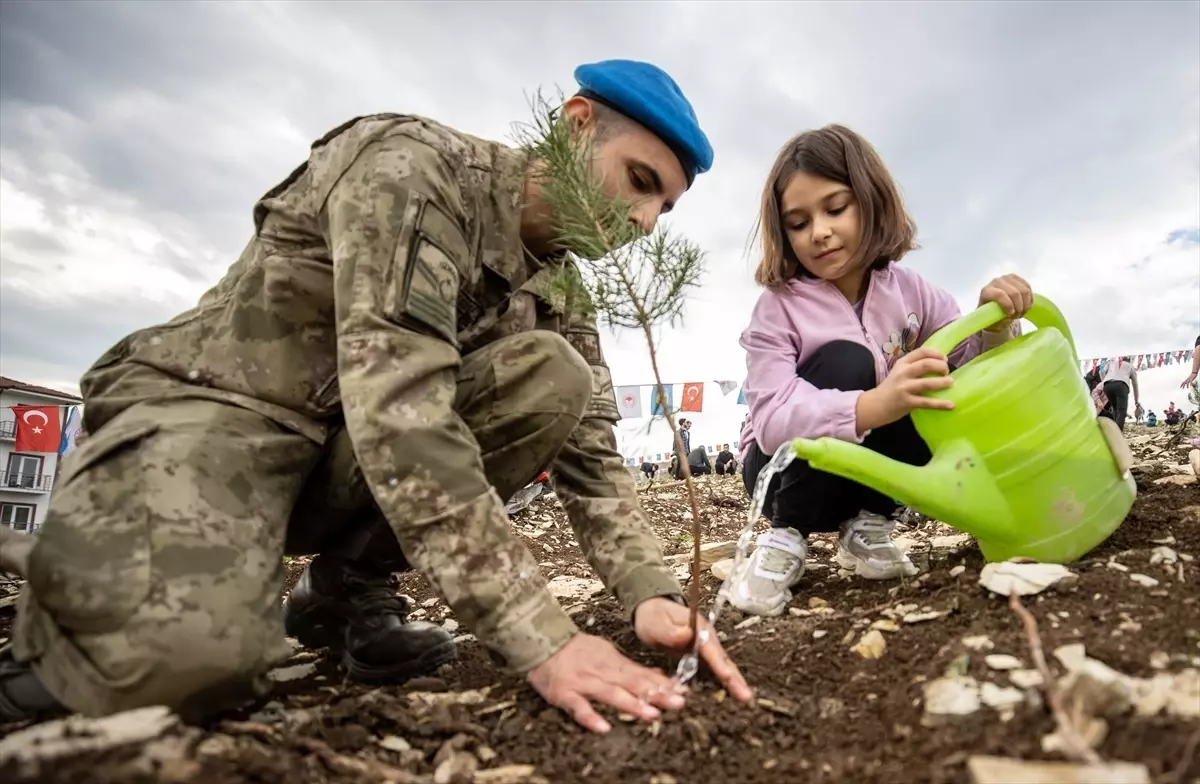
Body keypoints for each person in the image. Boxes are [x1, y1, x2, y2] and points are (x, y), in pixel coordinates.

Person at [0, 59, 753, 731]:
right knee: (184, 668)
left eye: (666, 210)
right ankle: (86, 573)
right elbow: (402, 410)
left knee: (554, 375)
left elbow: (591, 453)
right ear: (576, 126)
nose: (644, 222)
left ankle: (344, 586)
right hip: (219, 416)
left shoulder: (560, 283)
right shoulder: (413, 170)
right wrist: (540, 635)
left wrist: (648, 591)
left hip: (335, 461)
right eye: (641, 182)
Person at [728, 125, 1032, 617]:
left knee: (928, 372)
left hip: (868, 476)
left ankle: (868, 523)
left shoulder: (913, 292)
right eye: (798, 222)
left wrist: (995, 320)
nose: (819, 232)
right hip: (781, 477)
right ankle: (785, 539)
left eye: (835, 208)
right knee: (848, 359)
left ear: (870, 201)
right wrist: (874, 404)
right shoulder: (777, 309)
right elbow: (770, 420)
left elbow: (970, 370)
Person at [1098, 357, 1140, 432]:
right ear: (1129, 360)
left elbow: (1101, 372)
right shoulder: (1130, 366)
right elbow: (1135, 384)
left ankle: (1113, 431)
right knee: (1121, 411)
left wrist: (1104, 381)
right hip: (1121, 386)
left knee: (1115, 409)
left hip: (1107, 386)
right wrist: (1136, 401)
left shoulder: (1111, 363)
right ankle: (1118, 434)